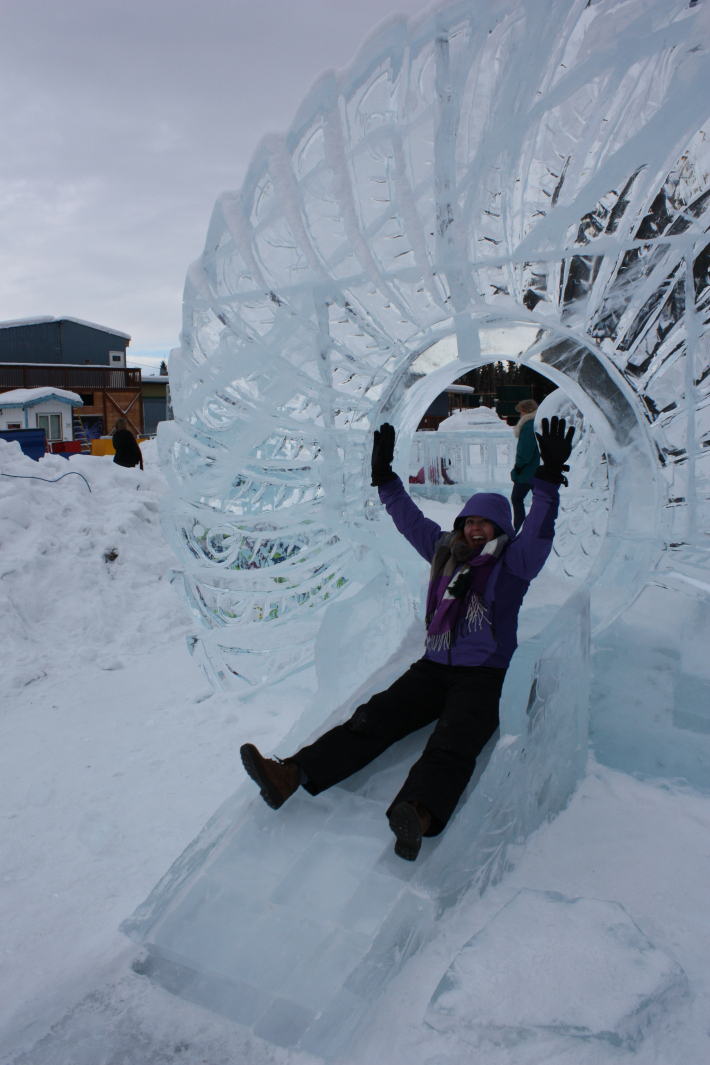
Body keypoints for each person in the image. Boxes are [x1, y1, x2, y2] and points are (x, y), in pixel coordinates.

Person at [240, 416, 574, 861]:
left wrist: (547, 478)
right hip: (434, 666)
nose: (475, 529)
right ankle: (290, 775)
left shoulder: (514, 563)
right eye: (469, 521)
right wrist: (385, 479)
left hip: (484, 675)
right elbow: (408, 518)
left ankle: (417, 813)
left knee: (454, 742)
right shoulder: (444, 553)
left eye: (485, 523)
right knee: (373, 718)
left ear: (499, 530)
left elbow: (539, 529)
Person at [510, 398, 540, 531]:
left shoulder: (528, 426)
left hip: (527, 472)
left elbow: (525, 450)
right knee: (538, 500)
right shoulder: (537, 423)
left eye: (521, 412)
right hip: (535, 469)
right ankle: (536, 525)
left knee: (516, 498)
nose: (520, 415)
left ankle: (520, 528)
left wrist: (518, 467)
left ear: (527, 411)